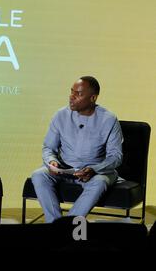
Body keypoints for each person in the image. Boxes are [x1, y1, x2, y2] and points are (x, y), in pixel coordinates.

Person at [31, 76, 123, 223]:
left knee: (100, 182)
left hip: (95, 171)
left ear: (93, 98)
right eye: (71, 91)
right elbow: (49, 148)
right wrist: (52, 161)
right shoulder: (60, 115)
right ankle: (53, 224)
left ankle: (68, 224)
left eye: (78, 94)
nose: (71, 97)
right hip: (66, 168)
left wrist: (94, 169)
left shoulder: (109, 119)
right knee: (38, 175)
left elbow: (116, 156)